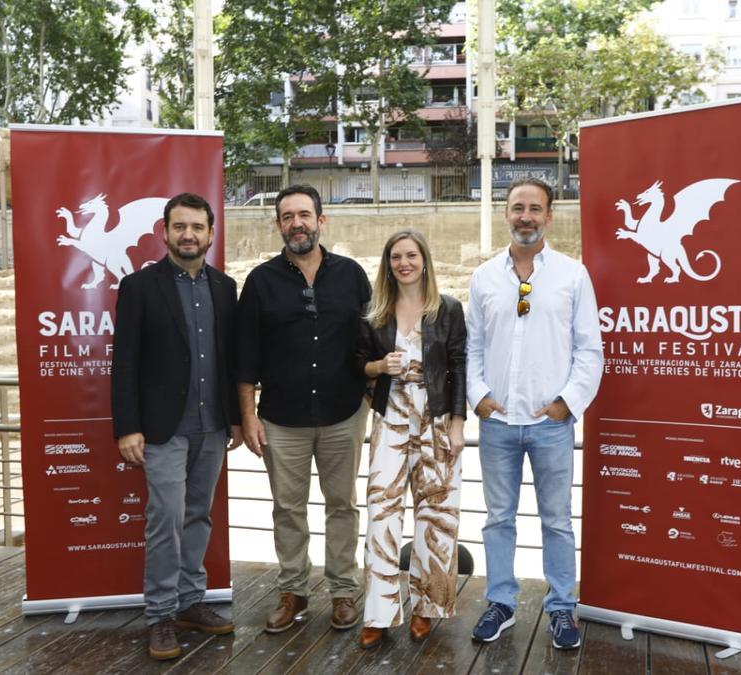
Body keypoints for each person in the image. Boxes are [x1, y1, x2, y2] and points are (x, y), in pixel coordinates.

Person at [466, 178, 603, 650]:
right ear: (506, 213)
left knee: (557, 521)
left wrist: (567, 403)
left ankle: (562, 608)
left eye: (535, 209)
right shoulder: (484, 277)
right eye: (517, 208)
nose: (525, 216)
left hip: (550, 424)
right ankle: (501, 603)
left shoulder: (572, 275)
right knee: (498, 518)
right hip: (498, 422)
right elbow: (474, 347)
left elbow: (590, 349)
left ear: (549, 216)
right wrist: (477, 394)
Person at [111, 192, 243, 661]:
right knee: (165, 518)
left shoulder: (226, 288)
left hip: (211, 427)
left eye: (198, 227)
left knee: (198, 516)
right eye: (180, 226)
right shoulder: (140, 287)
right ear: (164, 232)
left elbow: (231, 360)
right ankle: (161, 615)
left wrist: (235, 418)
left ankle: (191, 603)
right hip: (162, 429)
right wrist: (127, 427)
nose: (189, 235)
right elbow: (123, 364)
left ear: (210, 234)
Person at [236, 184, 371, 633]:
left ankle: (343, 592)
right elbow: (245, 355)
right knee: (287, 508)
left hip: (343, 412)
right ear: (278, 225)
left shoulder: (352, 275)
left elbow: (369, 339)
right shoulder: (260, 282)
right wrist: (249, 414)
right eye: (288, 216)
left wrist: (372, 397)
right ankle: (293, 591)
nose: (297, 223)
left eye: (305, 215)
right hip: (281, 417)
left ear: (321, 220)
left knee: (342, 506)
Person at [353, 230, 467, 649]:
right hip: (390, 418)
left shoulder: (448, 309)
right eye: (396, 256)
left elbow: (459, 366)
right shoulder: (375, 313)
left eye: (411, 255)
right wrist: (380, 366)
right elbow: (357, 367)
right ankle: (379, 612)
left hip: (437, 419)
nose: (404, 263)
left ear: (424, 259)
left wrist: (457, 424)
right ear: (388, 263)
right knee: (382, 511)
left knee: (436, 514)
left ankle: (426, 607)